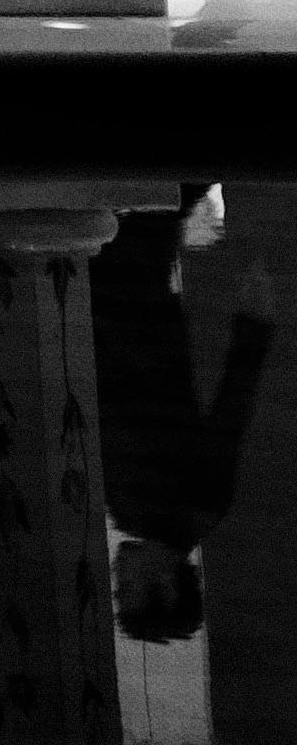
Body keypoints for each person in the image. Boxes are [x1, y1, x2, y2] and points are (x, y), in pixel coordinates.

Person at [103, 186, 273, 653]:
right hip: (133, 328)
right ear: (166, 585)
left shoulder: (134, 512)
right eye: (127, 591)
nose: (116, 579)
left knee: (141, 218)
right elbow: (230, 413)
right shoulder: (198, 504)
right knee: (145, 215)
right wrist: (255, 326)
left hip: (126, 327)